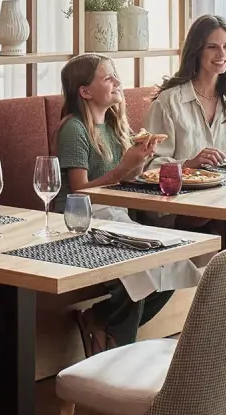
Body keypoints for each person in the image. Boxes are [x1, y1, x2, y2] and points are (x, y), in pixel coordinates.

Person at [54, 54, 199, 356]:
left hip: (113, 216)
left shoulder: (112, 126)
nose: (118, 82)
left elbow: (126, 180)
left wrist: (140, 161)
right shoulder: (74, 129)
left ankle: (101, 321)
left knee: (175, 262)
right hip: (78, 221)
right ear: (84, 91)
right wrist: (124, 168)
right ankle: (118, 351)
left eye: (115, 75)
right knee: (137, 269)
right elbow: (79, 192)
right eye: (108, 78)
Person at [143, 14, 226, 169]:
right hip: (178, 192)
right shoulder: (169, 102)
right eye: (212, 47)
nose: (222, 54)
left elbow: (225, 155)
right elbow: (148, 165)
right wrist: (189, 164)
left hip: (222, 190)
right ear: (197, 51)